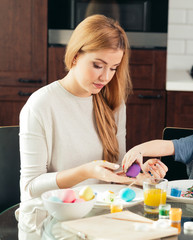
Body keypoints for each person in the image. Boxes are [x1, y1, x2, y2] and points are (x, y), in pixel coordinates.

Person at [17, 14, 167, 238]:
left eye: (114, 68)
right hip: (48, 222)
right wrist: (85, 171)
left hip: (98, 218)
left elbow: (115, 171)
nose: (106, 77)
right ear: (76, 56)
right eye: (98, 65)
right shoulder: (40, 105)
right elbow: (31, 187)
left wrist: (138, 175)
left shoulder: (113, 101)